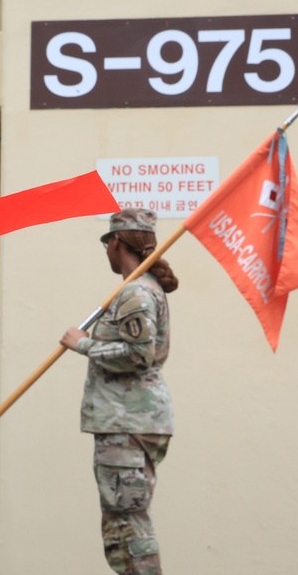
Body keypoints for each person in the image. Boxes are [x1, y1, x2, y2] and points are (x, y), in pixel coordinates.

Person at [60, 208, 178, 575]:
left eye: (107, 243)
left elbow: (138, 355)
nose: (106, 251)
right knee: (123, 519)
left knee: (126, 523)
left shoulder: (135, 292)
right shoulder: (138, 289)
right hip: (128, 420)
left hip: (126, 421)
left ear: (116, 242)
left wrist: (83, 345)